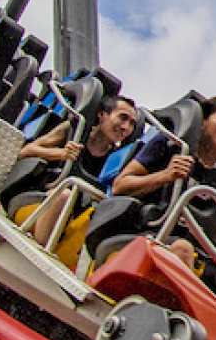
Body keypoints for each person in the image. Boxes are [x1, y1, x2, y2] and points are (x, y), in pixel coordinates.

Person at [111, 93, 216, 269]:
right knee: (182, 249)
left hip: (196, 250)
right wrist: (165, 175)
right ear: (203, 122)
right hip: (149, 231)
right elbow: (119, 186)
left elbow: (215, 235)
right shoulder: (170, 145)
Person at [15, 94, 140, 267]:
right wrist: (61, 154)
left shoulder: (118, 161)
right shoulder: (75, 131)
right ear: (102, 114)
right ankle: (33, 261)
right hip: (39, 205)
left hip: (72, 220)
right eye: (123, 118)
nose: (126, 127)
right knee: (64, 196)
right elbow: (25, 151)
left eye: (132, 124)